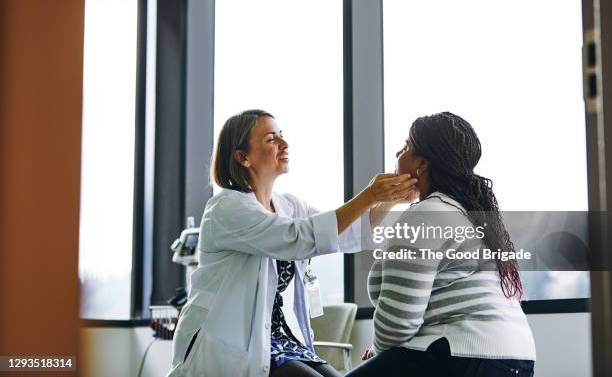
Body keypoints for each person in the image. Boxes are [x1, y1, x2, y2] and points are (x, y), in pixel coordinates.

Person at [166, 109, 417, 377]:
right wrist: (368, 195)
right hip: (237, 346)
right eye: (271, 139)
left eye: (282, 136)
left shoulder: (289, 205)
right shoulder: (226, 208)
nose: (284, 144)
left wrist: (391, 198)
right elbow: (299, 238)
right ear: (242, 157)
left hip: (282, 341)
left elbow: (344, 232)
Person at [347, 112, 536, 377]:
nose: (397, 154)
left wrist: (378, 354)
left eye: (406, 147)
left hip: (462, 355)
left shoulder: (426, 214)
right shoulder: (465, 212)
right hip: (514, 358)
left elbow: (397, 325)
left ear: (422, 164)